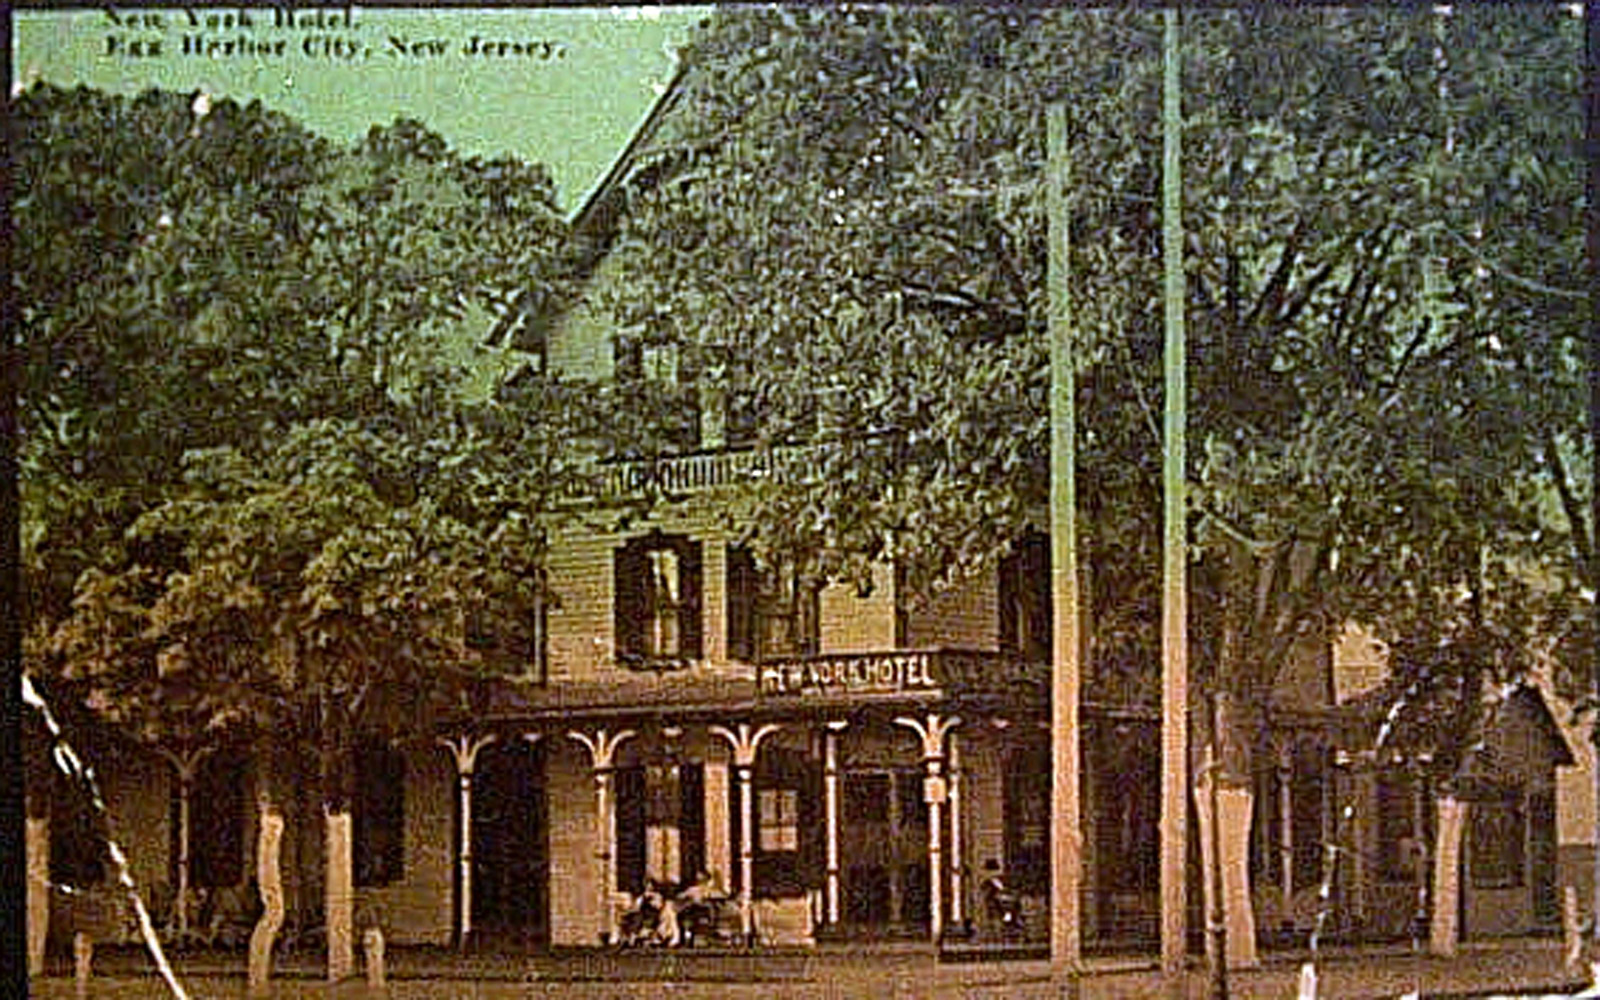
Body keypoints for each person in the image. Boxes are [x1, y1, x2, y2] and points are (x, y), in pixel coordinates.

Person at [982, 859, 1022, 935]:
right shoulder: (988, 883)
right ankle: (1009, 923)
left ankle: (1013, 923)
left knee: (1011, 907)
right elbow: (988, 895)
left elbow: (1009, 889)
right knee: (1005, 909)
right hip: (997, 902)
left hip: (1006, 900)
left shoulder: (1002, 880)